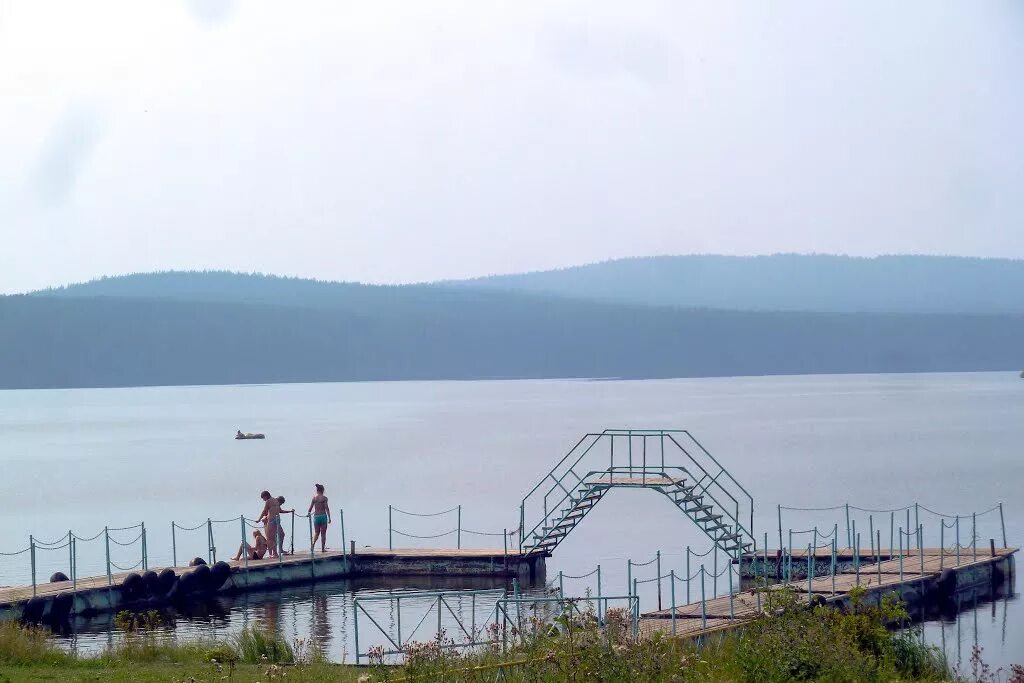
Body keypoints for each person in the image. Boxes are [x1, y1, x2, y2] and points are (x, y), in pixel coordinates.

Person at [257, 490, 282, 559]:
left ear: (266, 496)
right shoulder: (275, 500)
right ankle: (274, 553)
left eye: (263, 498)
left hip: (272, 520)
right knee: (272, 538)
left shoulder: (268, 501)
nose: (263, 500)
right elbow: (279, 510)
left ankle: (275, 554)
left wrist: (259, 519)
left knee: (269, 538)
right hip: (277, 520)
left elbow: (264, 511)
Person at [308, 483, 331, 552]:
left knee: (316, 533)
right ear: (323, 490)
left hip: (316, 517)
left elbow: (310, 508)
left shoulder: (314, 498)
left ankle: (312, 545)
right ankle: (323, 549)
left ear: (317, 490)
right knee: (323, 533)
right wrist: (329, 517)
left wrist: (308, 513)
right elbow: (326, 508)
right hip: (323, 516)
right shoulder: (324, 498)